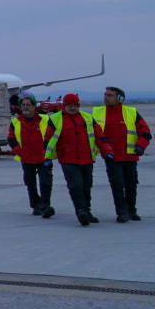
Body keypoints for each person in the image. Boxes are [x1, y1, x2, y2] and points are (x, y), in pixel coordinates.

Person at [94, 86, 149, 222]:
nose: (106, 97)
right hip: (111, 157)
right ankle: (122, 212)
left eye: (110, 95)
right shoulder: (97, 112)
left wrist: (141, 146)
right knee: (117, 185)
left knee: (131, 185)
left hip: (130, 156)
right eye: (105, 94)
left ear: (120, 98)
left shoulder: (131, 112)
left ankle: (131, 210)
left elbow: (146, 132)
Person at [45, 92, 101, 226]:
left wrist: (108, 151)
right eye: (69, 105)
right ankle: (80, 211)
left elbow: (99, 136)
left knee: (87, 186)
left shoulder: (87, 118)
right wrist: (46, 158)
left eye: (75, 105)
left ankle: (87, 210)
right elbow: (47, 140)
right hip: (68, 159)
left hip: (87, 159)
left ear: (78, 105)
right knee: (76, 185)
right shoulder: (55, 119)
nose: (72, 108)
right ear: (64, 106)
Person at [7, 96, 55, 218]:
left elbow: (52, 136)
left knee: (46, 182)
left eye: (28, 105)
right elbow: (11, 139)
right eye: (23, 105)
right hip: (26, 157)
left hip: (43, 157)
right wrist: (19, 152)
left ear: (34, 107)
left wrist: (48, 151)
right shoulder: (15, 121)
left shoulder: (44, 119)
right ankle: (36, 205)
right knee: (30, 183)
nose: (25, 107)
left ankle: (45, 205)